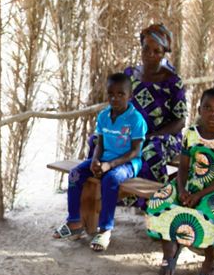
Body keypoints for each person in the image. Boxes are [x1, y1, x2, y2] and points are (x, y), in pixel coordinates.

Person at [145, 88, 214, 275]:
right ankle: (170, 249)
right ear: (199, 109)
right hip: (190, 181)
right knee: (159, 202)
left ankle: (209, 263)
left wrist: (199, 195)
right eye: (207, 107)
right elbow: (184, 167)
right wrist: (181, 189)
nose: (212, 113)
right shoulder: (190, 133)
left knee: (209, 212)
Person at [53, 72, 146, 253]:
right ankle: (75, 222)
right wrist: (95, 160)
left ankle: (105, 229)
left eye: (121, 94)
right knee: (75, 174)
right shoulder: (104, 116)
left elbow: (135, 151)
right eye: (111, 94)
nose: (115, 98)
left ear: (130, 96)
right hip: (103, 159)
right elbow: (99, 144)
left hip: (128, 163)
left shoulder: (136, 119)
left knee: (110, 180)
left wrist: (109, 166)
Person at [123, 23, 188, 186]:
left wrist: (150, 136)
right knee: (98, 140)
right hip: (133, 132)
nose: (150, 54)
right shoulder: (129, 75)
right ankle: (104, 192)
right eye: (146, 49)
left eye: (157, 51)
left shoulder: (173, 82)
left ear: (164, 53)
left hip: (164, 137)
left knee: (151, 149)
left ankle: (151, 198)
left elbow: (180, 121)